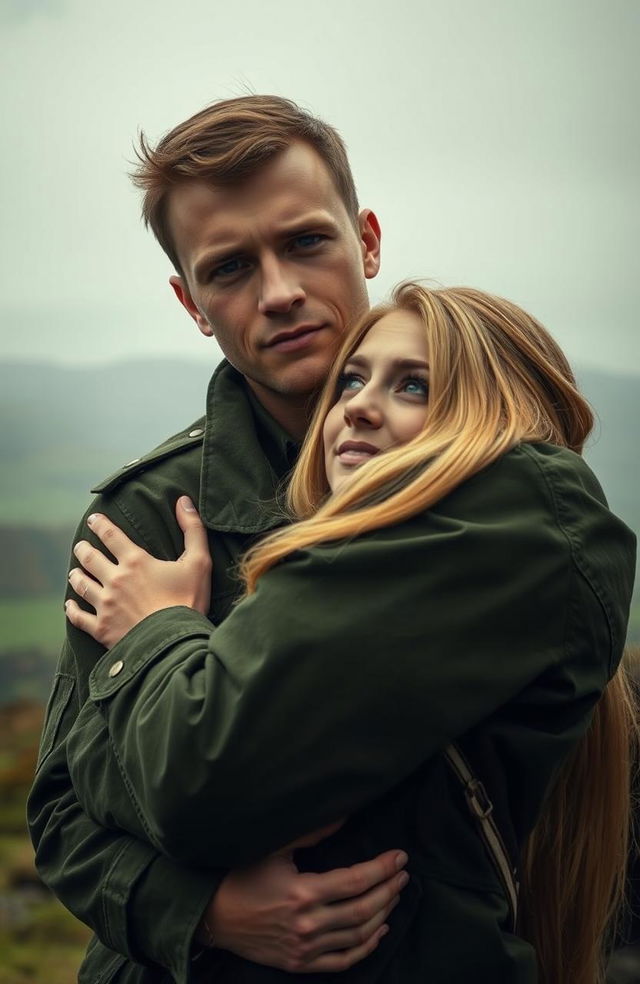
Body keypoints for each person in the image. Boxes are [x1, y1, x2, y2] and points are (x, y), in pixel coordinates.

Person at [63, 283, 637, 983]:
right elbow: (71, 794)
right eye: (354, 380)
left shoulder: (499, 523)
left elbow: (194, 784)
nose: (358, 405)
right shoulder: (366, 564)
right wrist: (205, 907)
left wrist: (158, 629)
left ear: (495, 421)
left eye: (415, 387)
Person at [27, 95, 412, 984]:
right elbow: (60, 809)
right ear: (190, 301)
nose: (279, 292)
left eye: (307, 242)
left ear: (370, 241)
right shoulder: (145, 519)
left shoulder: (489, 476)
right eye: (231, 267)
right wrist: (206, 914)